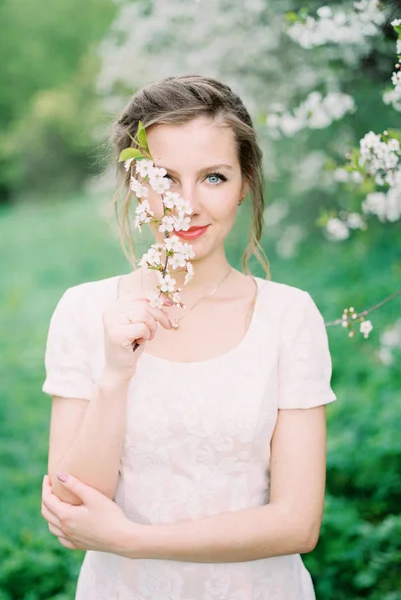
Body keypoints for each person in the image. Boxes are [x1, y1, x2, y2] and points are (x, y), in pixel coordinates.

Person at [40, 74, 337, 600]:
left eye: (214, 178)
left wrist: (134, 539)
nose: (188, 204)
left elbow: (297, 523)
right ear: (136, 183)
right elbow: (73, 512)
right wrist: (114, 376)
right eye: (165, 178)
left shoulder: (288, 316)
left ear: (245, 183)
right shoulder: (84, 312)